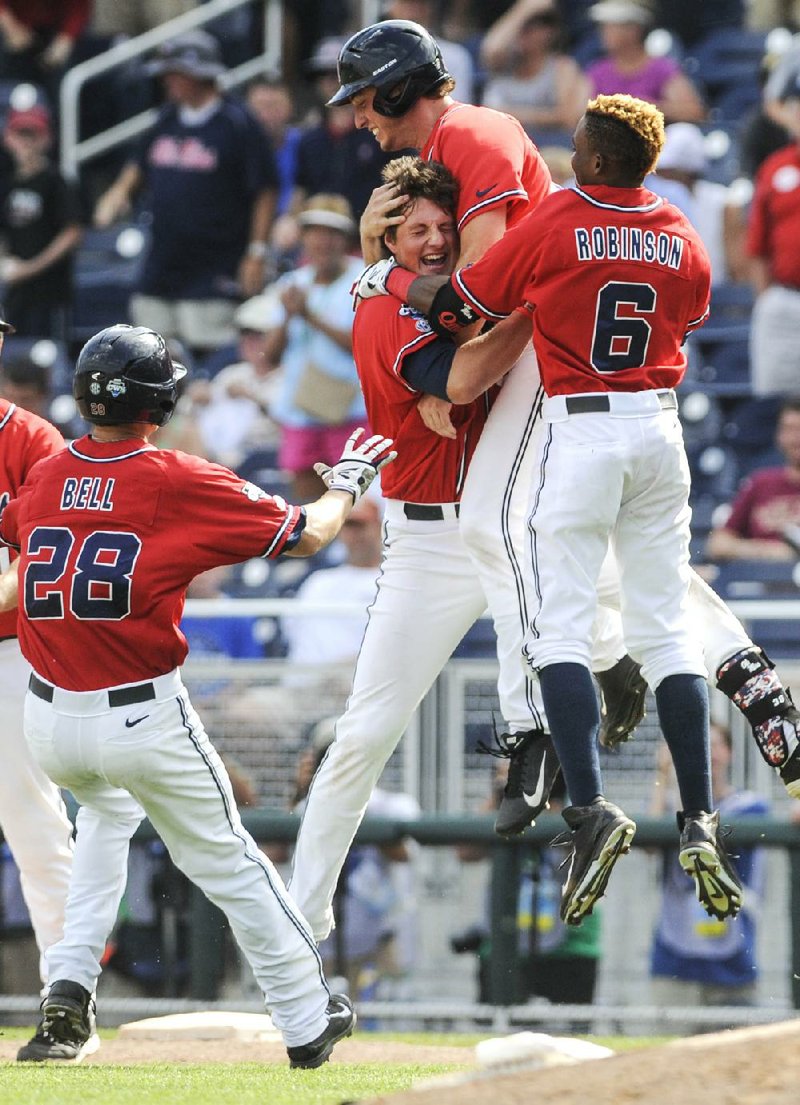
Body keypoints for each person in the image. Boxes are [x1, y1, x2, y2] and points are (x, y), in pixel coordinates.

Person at [344, 18, 800, 813]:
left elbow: (476, 301)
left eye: (364, 98)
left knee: (496, 526)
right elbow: (685, 321)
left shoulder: (476, 132)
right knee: (635, 575)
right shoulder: (673, 229)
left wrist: (391, 286)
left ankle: (539, 729)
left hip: (553, 372)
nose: (358, 117)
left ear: (395, 86)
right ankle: (739, 673)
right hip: (640, 401)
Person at [366, 92, 746, 926]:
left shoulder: (564, 214)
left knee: (555, 630)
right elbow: (691, 312)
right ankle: (700, 817)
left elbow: (458, 306)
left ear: (602, 160)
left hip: (583, 431)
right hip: (661, 429)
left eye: (577, 146)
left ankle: (590, 808)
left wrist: (386, 270)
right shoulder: (682, 229)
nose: (567, 157)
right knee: (665, 634)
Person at [0, 323, 397, 1064]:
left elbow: (22, 530)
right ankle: (307, 1015)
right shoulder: (174, 474)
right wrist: (344, 484)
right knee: (229, 859)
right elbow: (307, 534)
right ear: (161, 397)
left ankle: (65, 997)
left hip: (50, 716)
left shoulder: (44, 477)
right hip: (138, 710)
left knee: (102, 829)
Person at [287, 155, 561, 946]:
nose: (436, 240)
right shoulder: (378, 304)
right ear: (388, 237)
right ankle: (302, 921)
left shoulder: (449, 287)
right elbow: (469, 375)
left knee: (606, 657)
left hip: (508, 521)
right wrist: (527, 318)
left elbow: (470, 372)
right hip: (430, 539)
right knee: (364, 732)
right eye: (418, 230)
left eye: (446, 226)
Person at [92, 30, 278, 357]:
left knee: (209, 348)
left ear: (199, 73)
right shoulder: (166, 117)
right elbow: (140, 162)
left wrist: (257, 251)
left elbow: (264, 189)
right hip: (163, 258)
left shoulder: (237, 122)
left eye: (174, 73)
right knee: (150, 349)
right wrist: (119, 191)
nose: (167, 81)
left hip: (215, 262)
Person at [0, 306, 74, 992]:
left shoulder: (30, 439)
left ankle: (66, 991)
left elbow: (46, 560)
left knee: (31, 819)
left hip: (7, 652)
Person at [292, 717, 421, 1002]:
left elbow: (403, 854)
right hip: (321, 943)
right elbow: (276, 850)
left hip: (376, 938)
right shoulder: (306, 805)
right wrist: (304, 793)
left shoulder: (389, 805)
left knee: (381, 1026)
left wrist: (352, 798)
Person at [650, 723, 767, 1009]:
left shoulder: (750, 807)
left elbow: (708, 832)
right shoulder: (665, 804)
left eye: (713, 745)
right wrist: (664, 774)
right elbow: (649, 843)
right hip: (675, 956)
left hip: (733, 956)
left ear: (729, 752)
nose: (706, 754)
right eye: (697, 746)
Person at [270, 194, 367, 503]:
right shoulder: (293, 282)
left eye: (331, 233)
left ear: (345, 238)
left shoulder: (365, 279)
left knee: (355, 504)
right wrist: (288, 315)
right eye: (314, 232)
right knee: (307, 510)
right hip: (301, 413)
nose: (322, 241)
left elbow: (364, 347)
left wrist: (309, 315)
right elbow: (269, 355)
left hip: (350, 414)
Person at [0, 103, 83, 341]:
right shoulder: (8, 184)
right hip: (15, 294)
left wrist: (28, 268)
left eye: (33, 134)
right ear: (8, 138)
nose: (26, 142)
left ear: (47, 139)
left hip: (50, 294)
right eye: (20, 134)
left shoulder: (57, 182)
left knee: (46, 358)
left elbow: (73, 233)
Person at [746, 66, 800, 398]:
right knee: (778, 405)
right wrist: (767, 297)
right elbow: (758, 246)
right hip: (784, 295)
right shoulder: (775, 167)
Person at [650, 122, 749, 286]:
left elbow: (738, 268)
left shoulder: (723, 202)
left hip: (713, 296)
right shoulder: (650, 202)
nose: (661, 176)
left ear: (688, 171)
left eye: (669, 170)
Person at [706, 397, 800, 562]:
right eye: (789, 429)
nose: (796, 438)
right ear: (778, 435)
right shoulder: (761, 483)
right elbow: (718, 543)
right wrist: (772, 551)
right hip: (762, 582)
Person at [480, 1, 589, 141]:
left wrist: (509, 113)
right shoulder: (501, 63)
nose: (524, 30)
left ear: (551, 31)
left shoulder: (562, 67)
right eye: (522, 25)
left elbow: (568, 117)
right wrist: (523, 10)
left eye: (534, 24)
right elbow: (491, 49)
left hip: (548, 149)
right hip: (503, 143)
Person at [584, 1, 706, 124]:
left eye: (611, 26)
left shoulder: (660, 68)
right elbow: (575, 117)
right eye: (604, 27)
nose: (604, 32)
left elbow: (695, 112)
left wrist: (650, 108)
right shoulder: (598, 71)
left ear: (634, 29)